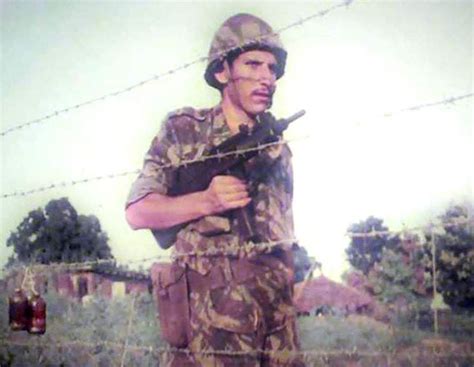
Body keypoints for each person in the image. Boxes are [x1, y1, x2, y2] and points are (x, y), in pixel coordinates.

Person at [125, 13, 304, 367]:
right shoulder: (186, 131)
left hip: (278, 317)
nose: (266, 77)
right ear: (222, 71)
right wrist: (205, 200)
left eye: (272, 68)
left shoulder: (278, 149)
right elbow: (137, 211)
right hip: (217, 318)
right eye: (253, 64)